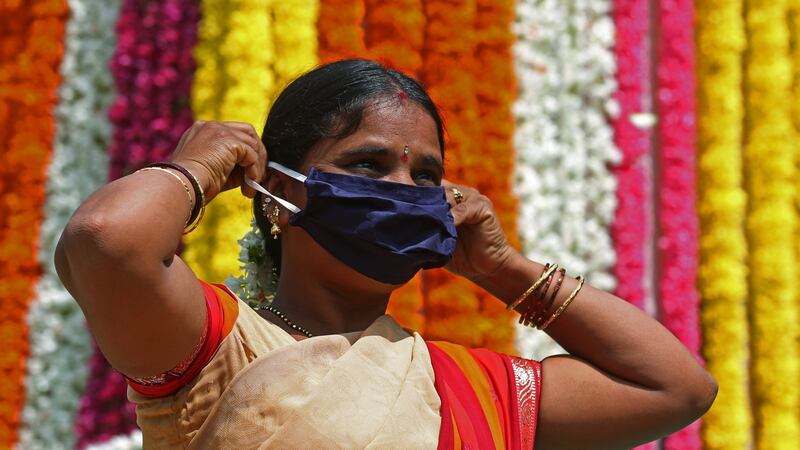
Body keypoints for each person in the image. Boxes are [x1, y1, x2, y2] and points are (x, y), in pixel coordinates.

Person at [56, 59, 716, 449]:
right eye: (368, 165)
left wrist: (501, 267)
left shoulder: (470, 387)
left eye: (426, 176)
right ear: (283, 194)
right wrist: (201, 165)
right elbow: (107, 243)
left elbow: (675, 387)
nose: (405, 191)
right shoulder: (211, 340)